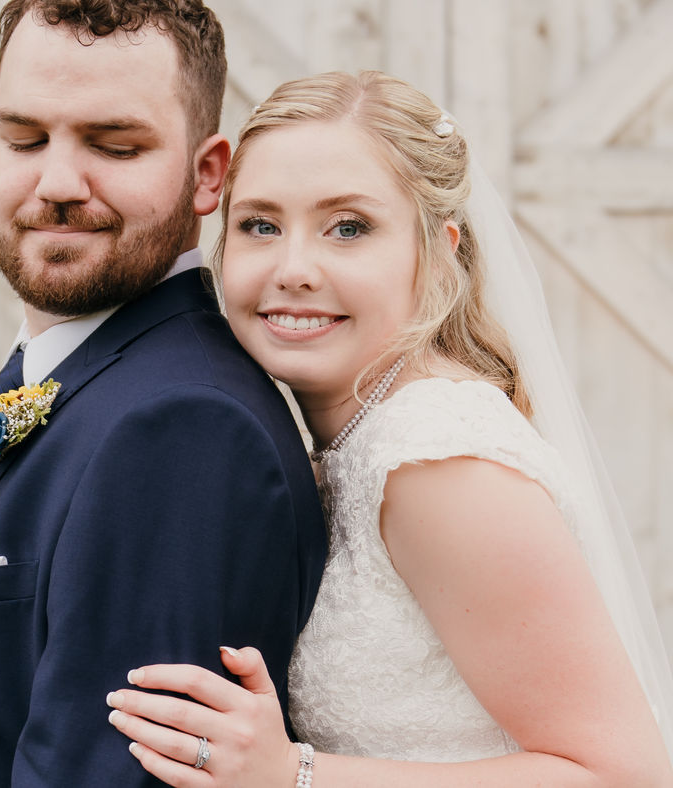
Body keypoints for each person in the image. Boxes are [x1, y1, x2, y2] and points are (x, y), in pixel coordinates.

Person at [105, 70, 673, 786]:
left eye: (349, 228)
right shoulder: (338, 437)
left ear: (438, 256)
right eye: (260, 225)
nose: (294, 267)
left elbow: (623, 776)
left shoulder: (438, 460)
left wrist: (295, 775)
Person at [0, 3, 326, 785]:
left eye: (115, 145)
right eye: (24, 139)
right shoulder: (62, 370)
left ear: (209, 174)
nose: (59, 183)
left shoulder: (185, 429)